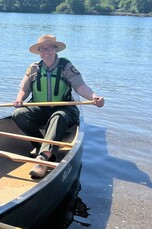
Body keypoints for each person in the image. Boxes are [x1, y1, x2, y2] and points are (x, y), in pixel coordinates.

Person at [12, 34, 105, 179]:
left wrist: (94, 97)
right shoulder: (34, 68)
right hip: (40, 108)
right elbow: (24, 89)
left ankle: (42, 159)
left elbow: (80, 87)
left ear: (55, 49)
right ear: (39, 52)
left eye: (49, 48)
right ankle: (39, 146)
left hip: (64, 107)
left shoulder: (66, 66)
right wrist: (19, 99)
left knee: (58, 116)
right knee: (19, 114)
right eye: (42, 49)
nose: (46, 52)